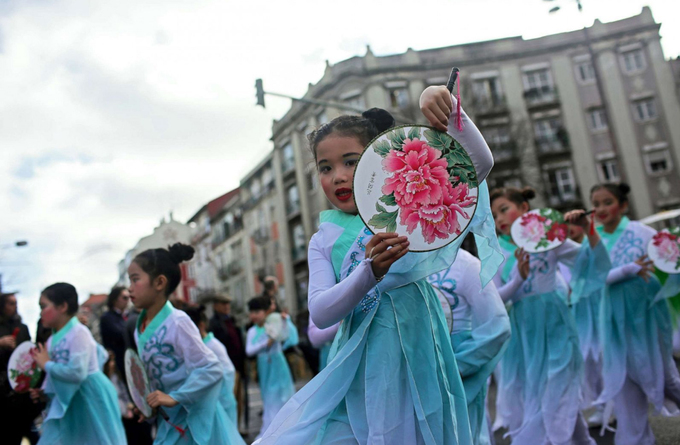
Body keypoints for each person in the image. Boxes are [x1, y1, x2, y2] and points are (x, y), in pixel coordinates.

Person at [254, 85, 501, 444]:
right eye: (325, 168)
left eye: (350, 162)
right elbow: (321, 313)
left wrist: (443, 105)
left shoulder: (405, 207)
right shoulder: (323, 238)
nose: (337, 176)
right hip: (360, 366)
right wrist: (368, 272)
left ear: (376, 161)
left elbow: (479, 164)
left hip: (420, 350)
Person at [490, 186, 610, 445]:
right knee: (543, 396)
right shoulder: (495, 253)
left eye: (503, 210)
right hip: (524, 333)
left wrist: (587, 227)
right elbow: (494, 298)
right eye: (494, 215)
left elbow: (589, 264)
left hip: (556, 325)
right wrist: (517, 280)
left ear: (524, 208)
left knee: (557, 393)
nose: (499, 219)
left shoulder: (547, 237)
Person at [128, 243, 245, 445]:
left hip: (190, 420)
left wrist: (175, 397)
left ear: (159, 283)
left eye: (135, 279)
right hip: (169, 422)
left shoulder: (178, 322)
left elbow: (211, 368)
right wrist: (148, 404)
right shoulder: (140, 328)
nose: (129, 288)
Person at [590, 183, 680, 445]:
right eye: (596, 204)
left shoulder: (643, 234)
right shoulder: (594, 239)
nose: (601, 209)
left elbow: (670, 263)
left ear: (623, 205)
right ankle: (635, 440)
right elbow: (595, 278)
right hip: (613, 323)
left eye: (607, 202)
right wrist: (630, 269)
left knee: (663, 377)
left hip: (648, 317)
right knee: (623, 380)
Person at [427, 249, 511, 445]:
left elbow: (497, 325)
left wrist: (458, 367)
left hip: (456, 368)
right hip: (418, 368)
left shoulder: (467, 265)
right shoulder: (404, 262)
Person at [29, 283, 127, 445]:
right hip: (73, 402)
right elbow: (59, 372)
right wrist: (45, 391)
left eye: (44, 306)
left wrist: (47, 365)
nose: (41, 313)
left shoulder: (79, 332)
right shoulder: (53, 339)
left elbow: (77, 372)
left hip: (90, 398)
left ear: (62, 306)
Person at [246, 296, 295, 440]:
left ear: (266, 311)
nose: (254, 315)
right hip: (264, 366)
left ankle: (287, 427)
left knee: (284, 394)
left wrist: (285, 321)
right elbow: (249, 351)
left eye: (257, 311)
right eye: (252, 312)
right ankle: (273, 430)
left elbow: (289, 338)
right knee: (269, 397)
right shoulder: (252, 331)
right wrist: (264, 344)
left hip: (278, 363)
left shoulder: (274, 323)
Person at [184, 304, 238, 424]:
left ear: (201, 326)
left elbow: (228, 372)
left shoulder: (213, 346)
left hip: (221, 402)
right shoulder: (198, 346)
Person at [0, 291, 41, 445]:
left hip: (21, 388)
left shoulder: (22, 327)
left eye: (16, 303)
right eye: (11, 303)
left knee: (31, 431)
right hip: (3, 390)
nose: (15, 306)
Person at [208, 293, 247, 432]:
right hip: (226, 368)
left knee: (238, 400)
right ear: (215, 306)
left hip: (237, 366)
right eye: (223, 304)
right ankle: (230, 429)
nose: (226, 307)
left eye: (228, 304)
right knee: (228, 401)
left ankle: (237, 426)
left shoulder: (231, 320)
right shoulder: (214, 324)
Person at [100, 286, 130, 379]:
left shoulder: (129, 315)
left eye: (128, 297)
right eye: (124, 297)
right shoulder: (107, 318)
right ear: (115, 299)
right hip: (118, 365)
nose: (127, 300)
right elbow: (121, 334)